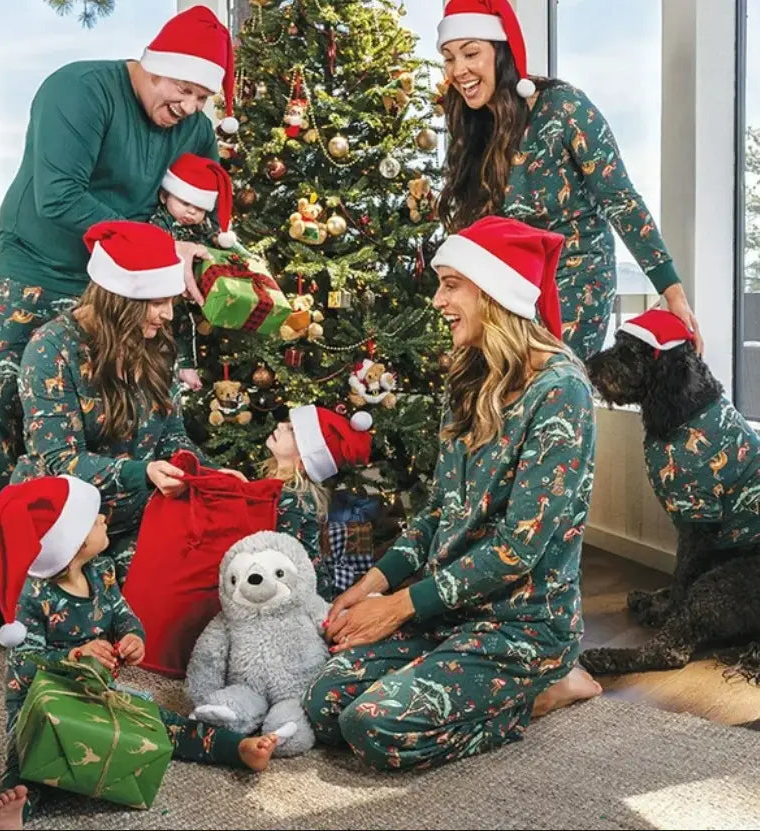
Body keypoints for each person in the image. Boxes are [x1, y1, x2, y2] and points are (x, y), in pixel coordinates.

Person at [0, 4, 240, 640]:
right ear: (156, 66)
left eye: (202, 96)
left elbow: (202, 201)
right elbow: (57, 194)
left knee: (128, 412)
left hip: (126, 288)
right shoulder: (79, 90)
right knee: (6, 419)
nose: (191, 106)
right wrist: (155, 247)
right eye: (184, 89)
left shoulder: (190, 123)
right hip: (33, 273)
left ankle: (100, 571)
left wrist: (205, 252)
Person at [303, 216, 602, 772]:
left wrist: (396, 609)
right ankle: (460, 677)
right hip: (449, 613)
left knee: (373, 726)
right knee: (322, 705)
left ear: (493, 291)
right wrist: (372, 585)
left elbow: (517, 549)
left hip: (522, 625)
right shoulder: (470, 378)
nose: (437, 299)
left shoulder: (562, 393)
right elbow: (440, 511)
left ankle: (543, 691)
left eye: (450, 283)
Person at [0, 476, 289, 830]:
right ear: (76, 542)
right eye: (94, 517)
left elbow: (124, 615)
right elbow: (23, 662)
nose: (104, 519)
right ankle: (16, 804)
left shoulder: (102, 572)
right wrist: (73, 656)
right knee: (29, 750)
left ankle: (235, 749)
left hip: (97, 693)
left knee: (162, 724)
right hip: (40, 700)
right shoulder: (33, 596)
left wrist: (133, 637)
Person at [435, 0, 702, 364]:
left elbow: (620, 199)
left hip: (576, 280)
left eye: (470, 53)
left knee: (550, 388)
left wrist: (672, 292)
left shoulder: (563, 108)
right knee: (477, 395)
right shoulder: (471, 125)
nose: (459, 70)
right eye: (449, 57)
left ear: (500, 53)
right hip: (504, 287)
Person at [10, 220, 243, 585]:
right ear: (119, 300)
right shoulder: (51, 349)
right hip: (71, 526)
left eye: (172, 301)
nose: (168, 315)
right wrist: (143, 474)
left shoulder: (158, 344)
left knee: (218, 571)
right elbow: (58, 460)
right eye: (157, 302)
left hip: (141, 512)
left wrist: (210, 473)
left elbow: (171, 435)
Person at [148, 153, 240, 392]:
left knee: (201, 321)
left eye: (198, 208)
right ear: (164, 195)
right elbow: (156, 246)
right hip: (167, 288)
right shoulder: (161, 221)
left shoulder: (200, 224)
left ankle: (192, 365)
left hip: (197, 285)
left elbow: (216, 237)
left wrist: (224, 242)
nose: (190, 212)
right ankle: (184, 364)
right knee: (177, 321)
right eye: (185, 203)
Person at [265, 406, 374, 602]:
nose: (280, 425)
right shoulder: (279, 487)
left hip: (303, 599)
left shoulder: (292, 500)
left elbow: (282, 564)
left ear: (303, 458)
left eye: (291, 430)